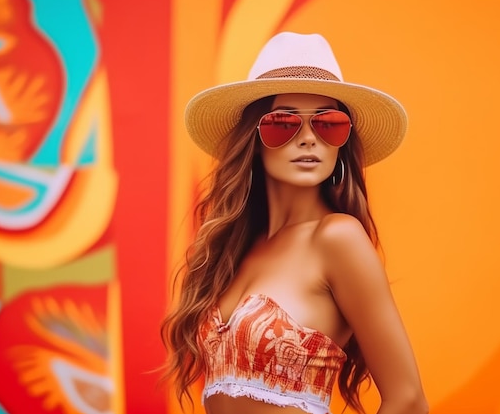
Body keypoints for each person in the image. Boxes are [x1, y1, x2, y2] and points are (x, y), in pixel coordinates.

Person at [161, 31, 428, 414]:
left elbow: (409, 400)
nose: (308, 139)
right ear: (252, 137)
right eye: (283, 123)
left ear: (342, 142)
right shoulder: (234, 251)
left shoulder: (338, 239)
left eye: (329, 124)